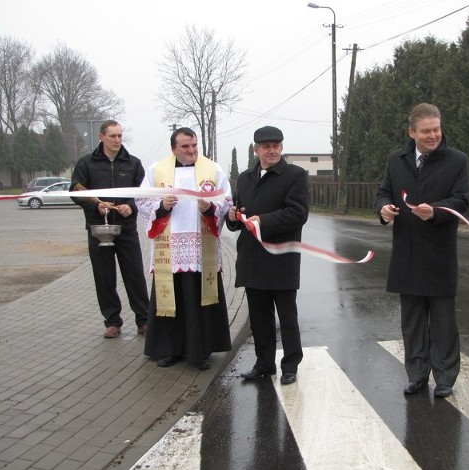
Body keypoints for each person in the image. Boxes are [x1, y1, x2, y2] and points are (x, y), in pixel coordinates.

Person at [375, 103, 469, 398]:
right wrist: (384, 209)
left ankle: (444, 378)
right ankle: (416, 374)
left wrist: (438, 210)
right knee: (413, 322)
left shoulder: (456, 160)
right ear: (412, 133)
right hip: (406, 253)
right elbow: (383, 193)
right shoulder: (397, 160)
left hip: (439, 253)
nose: (433, 136)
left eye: (437, 129)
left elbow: (462, 200)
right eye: (426, 131)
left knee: (443, 323)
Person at [137, 127, 233, 370]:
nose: (192, 151)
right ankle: (168, 350)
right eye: (185, 147)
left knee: (199, 299)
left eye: (194, 145)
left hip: (202, 248)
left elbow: (226, 201)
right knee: (172, 298)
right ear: (173, 149)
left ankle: (200, 351)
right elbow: (141, 200)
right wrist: (161, 205)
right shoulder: (156, 170)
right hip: (169, 247)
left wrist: (208, 209)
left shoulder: (213, 169)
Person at [226, 126, 309, 385]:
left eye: (276, 145)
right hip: (252, 258)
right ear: (256, 149)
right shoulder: (245, 178)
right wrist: (233, 218)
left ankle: (290, 365)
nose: (272, 150)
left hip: (281, 258)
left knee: (287, 317)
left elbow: (298, 213)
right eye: (266, 146)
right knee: (259, 319)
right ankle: (264, 364)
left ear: (282, 148)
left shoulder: (295, 175)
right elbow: (239, 215)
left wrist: (263, 220)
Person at [71, 120, 149, 338]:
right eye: (112, 136)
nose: (117, 140)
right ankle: (112, 321)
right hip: (98, 228)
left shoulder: (133, 163)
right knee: (104, 277)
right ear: (101, 137)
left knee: (134, 275)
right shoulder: (86, 164)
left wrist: (130, 206)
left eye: (120, 136)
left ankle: (144, 320)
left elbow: (143, 194)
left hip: (126, 228)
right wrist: (96, 205)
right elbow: (75, 191)